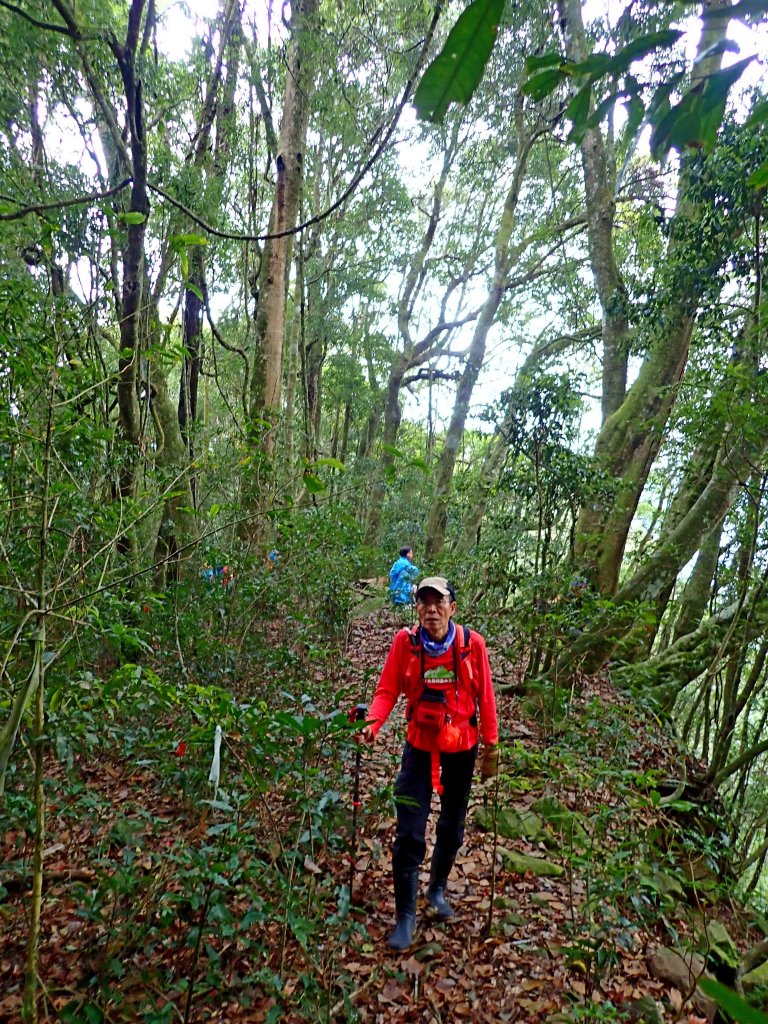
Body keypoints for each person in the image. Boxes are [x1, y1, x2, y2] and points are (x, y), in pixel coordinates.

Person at [359, 577, 499, 951]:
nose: (431, 609)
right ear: (417, 608)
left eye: (439, 602)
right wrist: (373, 724)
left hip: (461, 749)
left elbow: (486, 696)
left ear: (453, 607)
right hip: (419, 748)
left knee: (452, 826)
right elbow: (387, 689)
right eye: (424, 602)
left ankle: (436, 889)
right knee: (409, 831)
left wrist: (492, 747)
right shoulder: (406, 644)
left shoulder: (472, 646)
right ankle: (404, 915)